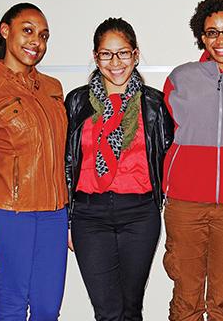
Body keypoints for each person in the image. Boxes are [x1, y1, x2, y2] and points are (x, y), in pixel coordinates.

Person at [0, 2, 68, 320]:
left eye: (44, 35)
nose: (37, 41)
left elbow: (64, 159)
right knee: (12, 306)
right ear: (5, 31)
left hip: (54, 215)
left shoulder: (53, 89)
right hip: (10, 216)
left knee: (49, 309)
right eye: (28, 31)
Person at [161, 0, 223, 321]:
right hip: (185, 205)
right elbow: (163, 135)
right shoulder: (180, 78)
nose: (222, 40)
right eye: (213, 32)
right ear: (202, 36)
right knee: (187, 297)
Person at [64, 17, 173, 321]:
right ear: (95, 56)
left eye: (123, 53)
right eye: (106, 54)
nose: (115, 62)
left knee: (131, 309)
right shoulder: (76, 102)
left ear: (136, 55)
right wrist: (67, 218)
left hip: (140, 215)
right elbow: (66, 163)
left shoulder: (154, 103)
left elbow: (168, 157)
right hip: (89, 217)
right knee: (107, 311)